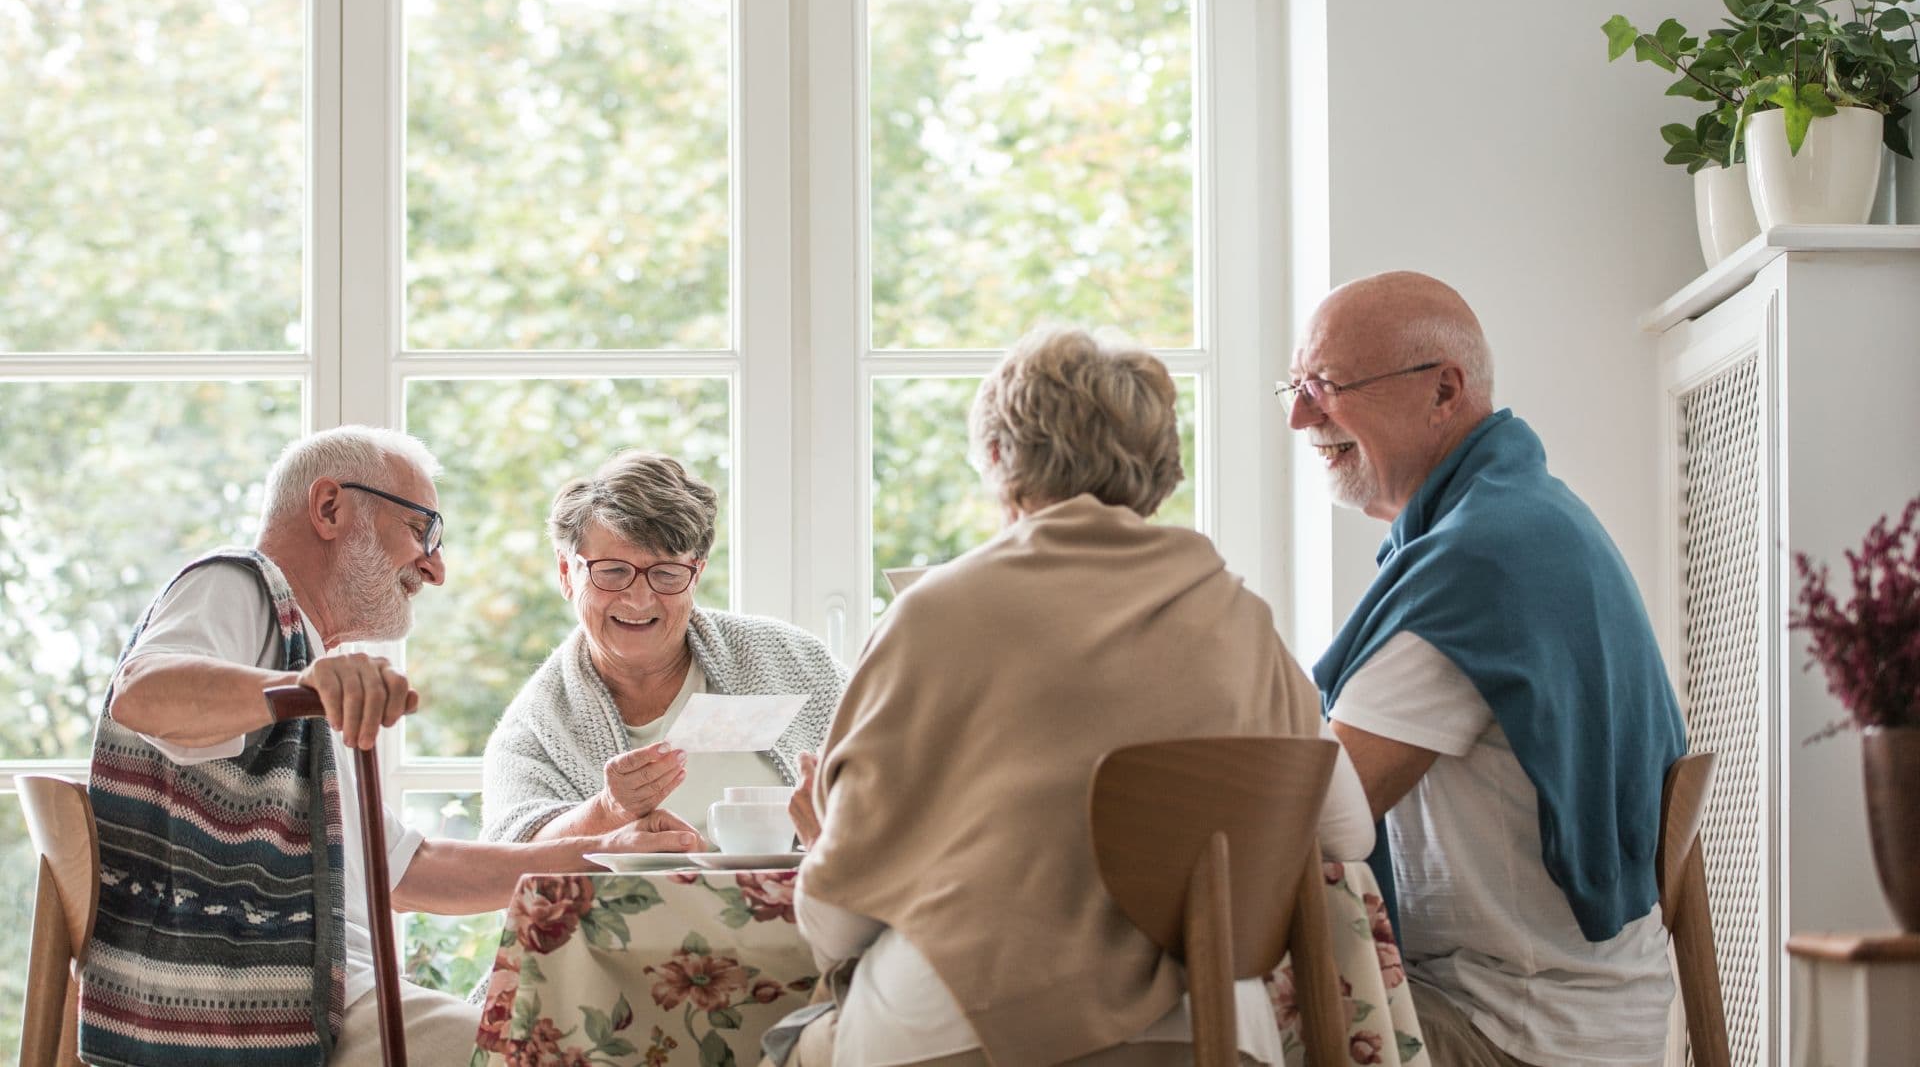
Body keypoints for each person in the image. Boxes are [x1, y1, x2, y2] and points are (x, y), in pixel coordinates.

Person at [781, 327, 1374, 1067]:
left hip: (956, 1026)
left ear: (999, 457)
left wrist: (820, 847)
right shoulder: (1244, 621)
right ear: (1163, 467)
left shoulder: (936, 613)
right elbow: (1348, 834)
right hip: (1213, 1030)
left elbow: (837, 924)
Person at [83, 426, 701, 1067]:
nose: (436, 568)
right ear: (330, 508)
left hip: (315, 999)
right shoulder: (239, 586)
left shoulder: (307, 658)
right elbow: (142, 692)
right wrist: (301, 685)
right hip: (258, 1010)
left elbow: (408, 872)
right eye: (421, 530)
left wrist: (604, 850)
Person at [1288, 272, 1687, 1067]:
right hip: (1581, 1007)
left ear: (1443, 390)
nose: (1300, 415)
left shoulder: (1479, 567)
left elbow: (1310, 817)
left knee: (1197, 1033)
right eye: (1294, 387)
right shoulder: (1526, 516)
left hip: (1518, 1028)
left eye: (1327, 386)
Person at [482, 450, 845, 846]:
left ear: (697, 574)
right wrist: (607, 811)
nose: (639, 600)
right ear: (567, 573)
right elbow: (510, 850)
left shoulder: (791, 660)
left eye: (667, 574)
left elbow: (897, 775)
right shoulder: (538, 724)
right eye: (613, 572)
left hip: (792, 905)